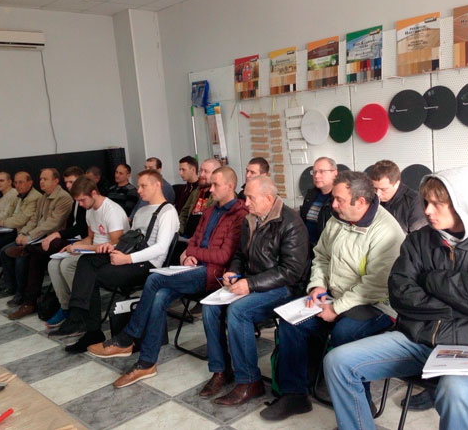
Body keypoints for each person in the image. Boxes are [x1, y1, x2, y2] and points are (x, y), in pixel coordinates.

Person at [323, 166, 468, 430]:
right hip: (418, 339)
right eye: (425, 202)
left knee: (455, 392)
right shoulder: (419, 239)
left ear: (461, 204)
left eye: (437, 204)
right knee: (338, 362)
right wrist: (462, 306)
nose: (427, 211)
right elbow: (399, 292)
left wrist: (431, 280)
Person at [261, 171, 405, 421]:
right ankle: (294, 395)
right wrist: (317, 286)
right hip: (335, 296)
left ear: (360, 202)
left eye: (339, 199)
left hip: (377, 304)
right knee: (291, 324)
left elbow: (375, 285)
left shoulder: (386, 231)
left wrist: (336, 308)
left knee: (345, 333)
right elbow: (322, 256)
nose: (333, 204)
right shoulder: (338, 218)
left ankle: (361, 405)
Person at [87, 166, 248, 388]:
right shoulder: (210, 211)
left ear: (230, 186)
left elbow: (223, 256)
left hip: (215, 274)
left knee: (155, 280)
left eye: (215, 185)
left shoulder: (239, 214)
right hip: (193, 268)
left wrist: (192, 252)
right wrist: (187, 254)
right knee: (160, 295)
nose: (210, 189)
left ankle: (127, 338)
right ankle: (146, 363)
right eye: (210, 184)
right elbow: (193, 240)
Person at [200, 176, 309, 405]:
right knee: (210, 307)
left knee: (239, 311)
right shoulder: (251, 218)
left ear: (268, 199)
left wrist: (251, 284)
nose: (246, 202)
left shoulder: (291, 223)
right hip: (254, 281)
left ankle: (249, 381)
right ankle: (221, 370)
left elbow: (291, 271)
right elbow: (240, 254)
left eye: (251, 198)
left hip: (284, 287)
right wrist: (234, 271)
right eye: (245, 197)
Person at [49, 169, 179, 353]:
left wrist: (127, 258)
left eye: (143, 186)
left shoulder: (168, 211)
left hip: (148, 265)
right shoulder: (142, 211)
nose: (139, 190)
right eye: (139, 186)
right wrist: (112, 248)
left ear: (157, 185)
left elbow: (161, 248)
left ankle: (86, 325)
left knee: (92, 275)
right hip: (129, 256)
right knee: (86, 261)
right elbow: (130, 240)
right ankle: (82, 319)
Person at [46, 175, 129, 329]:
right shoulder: (90, 209)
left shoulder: (111, 210)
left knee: (67, 265)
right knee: (53, 264)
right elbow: (91, 238)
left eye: (82, 200)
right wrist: (75, 245)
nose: (80, 204)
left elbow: (116, 244)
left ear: (93, 193)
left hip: (108, 254)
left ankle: (82, 311)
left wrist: (82, 248)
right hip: (94, 250)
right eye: (78, 201)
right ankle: (66, 307)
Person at [6, 166, 87, 320]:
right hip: (54, 237)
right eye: (67, 182)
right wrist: (25, 234)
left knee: (47, 248)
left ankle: (30, 298)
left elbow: (61, 224)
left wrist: (35, 236)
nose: (69, 185)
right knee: (36, 256)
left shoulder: (67, 198)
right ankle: (28, 300)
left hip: (72, 239)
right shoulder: (45, 198)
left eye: (71, 182)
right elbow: (36, 220)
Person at [0, 171, 41, 296]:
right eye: (16, 182)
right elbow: (8, 213)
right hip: (13, 229)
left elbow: (21, 219)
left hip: (21, 232)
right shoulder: (18, 195)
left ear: (30, 183)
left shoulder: (34, 197)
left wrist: (1, 222)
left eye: (21, 182)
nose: (18, 185)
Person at [368, 160, 427, 233]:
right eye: (374, 188)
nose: (378, 194)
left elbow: (418, 236)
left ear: (397, 184)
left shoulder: (414, 202)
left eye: (383, 189)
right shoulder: (369, 198)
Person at [299, 157, 338, 252]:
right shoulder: (310, 195)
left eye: (322, 171)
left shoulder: (339, 199)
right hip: (307, 249)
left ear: (334, 173)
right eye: (314, 172)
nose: (316, 176)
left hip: (326, 251)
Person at [179, 158, 221, 238]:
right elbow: (184, 213)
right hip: (185, 237)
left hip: (204, 239)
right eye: (201, 171)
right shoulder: (195, 192)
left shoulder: (220, 195)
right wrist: (179, 232)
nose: (201, 175)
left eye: (206, 171)